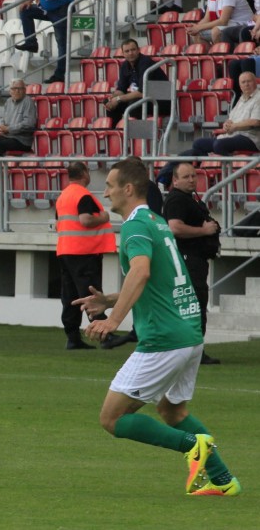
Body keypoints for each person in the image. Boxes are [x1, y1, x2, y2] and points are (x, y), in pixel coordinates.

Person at [73, 158, 241, 497]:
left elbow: (141, 272)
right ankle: (224, 481)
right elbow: (159, 280)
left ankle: (192, 447)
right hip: (188, 332)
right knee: (172, 410)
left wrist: (113, 320)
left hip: (164, 338)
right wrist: (109, 300)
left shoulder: (136, 226)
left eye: (109, 185)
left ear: (128, 189)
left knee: (112, 419)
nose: (104, 192)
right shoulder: (157, 221)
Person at [162, 163, 222, 365]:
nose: (191, 180)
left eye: (194, 176)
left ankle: (192, 351)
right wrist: (204, 232)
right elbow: (175, 228)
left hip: (195, 259)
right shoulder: (177, 199)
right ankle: (193, 352)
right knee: (194, 304)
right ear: (175, 180)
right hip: (188, 260)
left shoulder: (188, 198)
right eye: (186, 176)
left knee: (195, 304)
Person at [54, 161, 117, 350]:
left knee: (70, 297)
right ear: (84, 173)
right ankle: (105, 335)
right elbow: (86, 220)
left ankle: (72, 338)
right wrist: (104, 217)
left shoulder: (63, 196)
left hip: (65, 250)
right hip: (84, 251)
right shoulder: (83, 195)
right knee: (92, 294)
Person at [157, 72, 260, 186]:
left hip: (250, 137)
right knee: (198, 144)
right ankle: (166, 177)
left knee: (219, 145)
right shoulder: (241, 99)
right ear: (239, 85)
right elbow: (231, 119)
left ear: (255, 82)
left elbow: (255, 121)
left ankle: (226, 168)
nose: (246, 84)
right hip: (231, 136)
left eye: (249, 81)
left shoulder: (258, 98)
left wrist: (235, 126)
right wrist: (227, 124)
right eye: (243, 82)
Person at [104, 38, 170, 127]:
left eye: (133, 50)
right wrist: (112, 98)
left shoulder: (146, 63)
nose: (130, 53)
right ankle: (116, 135)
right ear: (123, 54)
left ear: (138, 50)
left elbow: (142, 93)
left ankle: (139, 135)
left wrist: (118, 99)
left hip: (161, 101)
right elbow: (121, 89)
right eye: (127, 51)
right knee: (113, 106)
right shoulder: (125, 65)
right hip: (146, 99)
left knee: (135, 104)